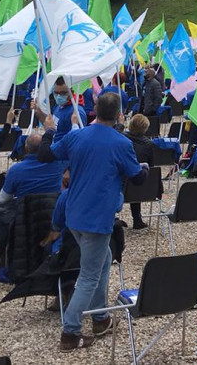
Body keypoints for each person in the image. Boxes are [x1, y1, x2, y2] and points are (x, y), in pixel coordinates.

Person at [49, 92, 148, 351]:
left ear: (94, 109)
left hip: (75, 214)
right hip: (96, 218)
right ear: (119, 114)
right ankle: (70, 332)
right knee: (89, 275)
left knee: (103, 260)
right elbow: (136, 177)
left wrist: (56, 126)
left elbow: (54, 150)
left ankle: (100, 318)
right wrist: (145, 170)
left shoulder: (76, 136)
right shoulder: (120, 143)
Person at [123, 114, 158, 229]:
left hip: (122, 184)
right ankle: (137, 218)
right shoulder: (149, 144)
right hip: (141, 186)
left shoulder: (122, 139)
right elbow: (151, 167)